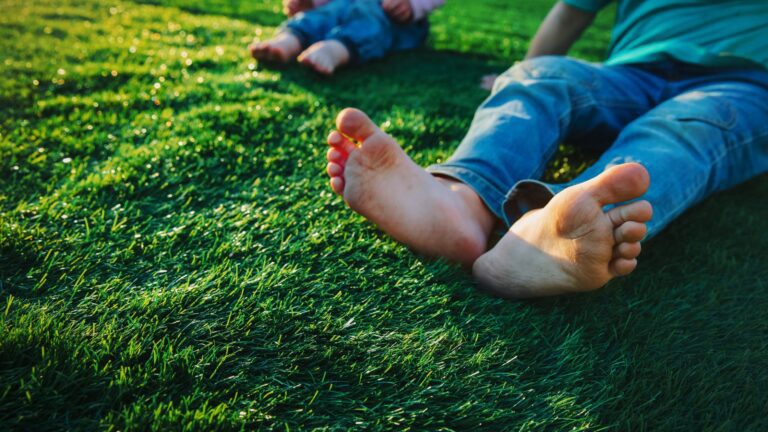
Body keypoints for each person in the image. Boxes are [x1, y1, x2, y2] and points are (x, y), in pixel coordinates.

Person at [323, 0, 768, 298]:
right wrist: (528, 66)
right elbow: (568, 14)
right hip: (630, 74)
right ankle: (461, 203)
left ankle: (548, 227)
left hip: (742, 83)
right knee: (543, 79)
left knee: (681, 131)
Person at [249, 0, 444, 75]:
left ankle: (336, 49)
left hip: (393, 18)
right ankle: (290, 40)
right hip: (346, 3)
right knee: (324, 14)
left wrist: (412, 4)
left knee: (370, 24)